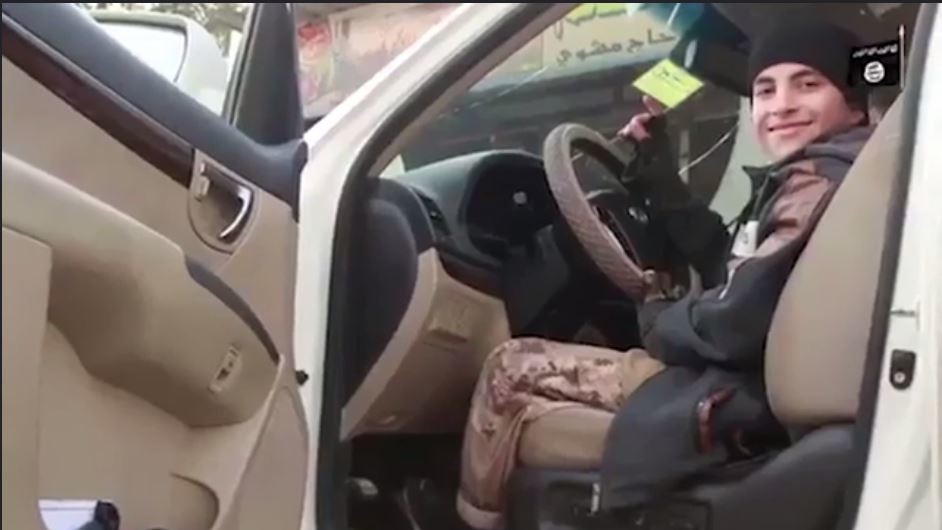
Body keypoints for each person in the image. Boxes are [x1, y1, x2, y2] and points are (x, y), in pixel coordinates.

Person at [455, 19, 876, 530]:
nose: (781, 105)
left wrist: (660, 319)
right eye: (765, 90)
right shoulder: (831, 171)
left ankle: (473, 522)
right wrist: (660, 179)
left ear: (854, 103)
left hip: (734, 393)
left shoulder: (816, 180)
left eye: (808, 84)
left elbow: (733, 322)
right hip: (745, 380)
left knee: (510, 367)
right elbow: (730, 260)